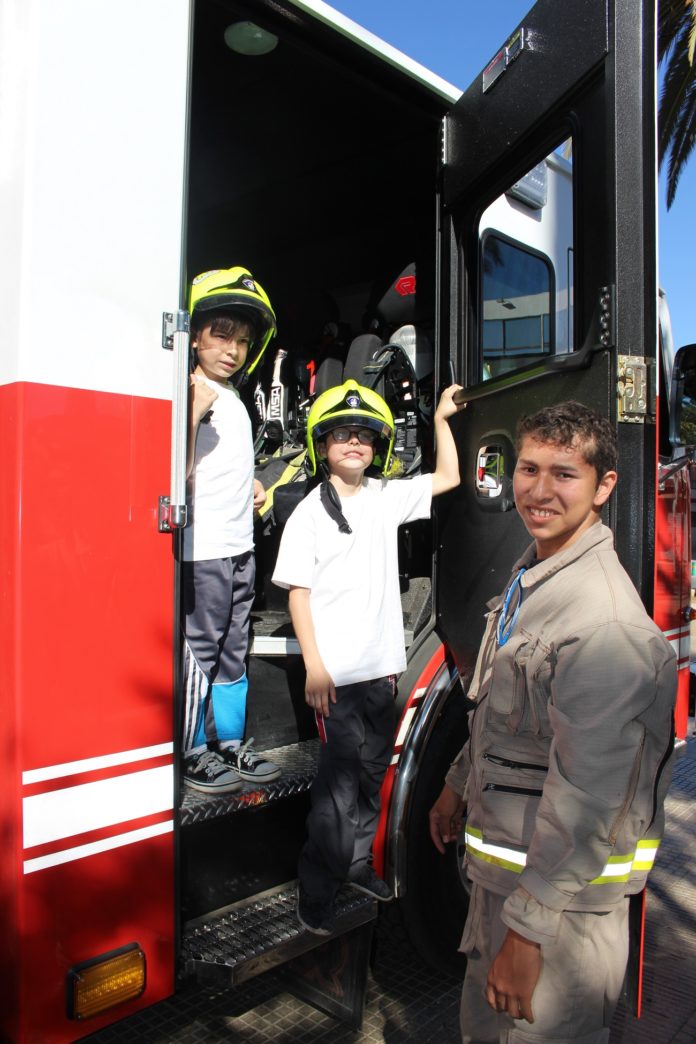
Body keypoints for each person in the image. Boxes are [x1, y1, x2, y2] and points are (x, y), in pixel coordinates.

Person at [429, 400, 677, 1044]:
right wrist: (459, 781)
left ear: (604, 487)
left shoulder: (605, 626)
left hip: (557, 920)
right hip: (508, 896)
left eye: (564, 475)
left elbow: (589, 799)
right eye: (528, 469)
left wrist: (527, 937)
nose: (538, 491)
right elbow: (507, 710)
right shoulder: (534, 573)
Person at [272, 377, 463, 934]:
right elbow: (298, 593)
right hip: (337, 678)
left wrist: (442, 423)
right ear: (321, 446)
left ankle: (357, 865)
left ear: (375, 446)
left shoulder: (384, 498)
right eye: (341, 436)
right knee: (336, 789)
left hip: (381, 672)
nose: (353, 444)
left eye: (362, 436)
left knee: (372, 776)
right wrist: (315, 666)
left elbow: (449, 478)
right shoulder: (308, 512)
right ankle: (318, 894)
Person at [182, 266, 282, 794]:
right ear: (194, 334)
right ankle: (195, 748)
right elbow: (175, 475)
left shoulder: (236, 398)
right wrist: (193, 416)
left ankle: (230, 744)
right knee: (201, 647)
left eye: (243, 340)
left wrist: (253, 489)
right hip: (204, 550)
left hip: (238, 546)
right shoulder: (192, 392)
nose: (233, 349)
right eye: (221, 334)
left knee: (233, 646)